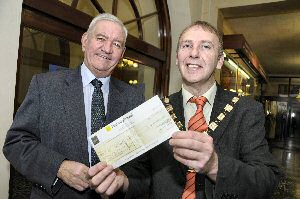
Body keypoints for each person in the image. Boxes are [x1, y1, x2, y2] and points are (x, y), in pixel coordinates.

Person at [122, 21, 282, 199]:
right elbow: (141, 175)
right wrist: (122, 182)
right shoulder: (156, 110)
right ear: (177, 58)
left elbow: (266, 181)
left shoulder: (246, 110)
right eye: (186, 45)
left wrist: (215, 166)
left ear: (220, 61)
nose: (194, 53)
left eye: (205, 46)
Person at [3, 13, 144, 199]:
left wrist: (124, 181)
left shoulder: (134, 98)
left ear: (122, 53)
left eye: (117, 44)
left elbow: (144, 165)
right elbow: (16, 143)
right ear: (85, 41)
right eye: (101, 38)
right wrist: (59, 168)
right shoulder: (45, 86)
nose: (107, 48)